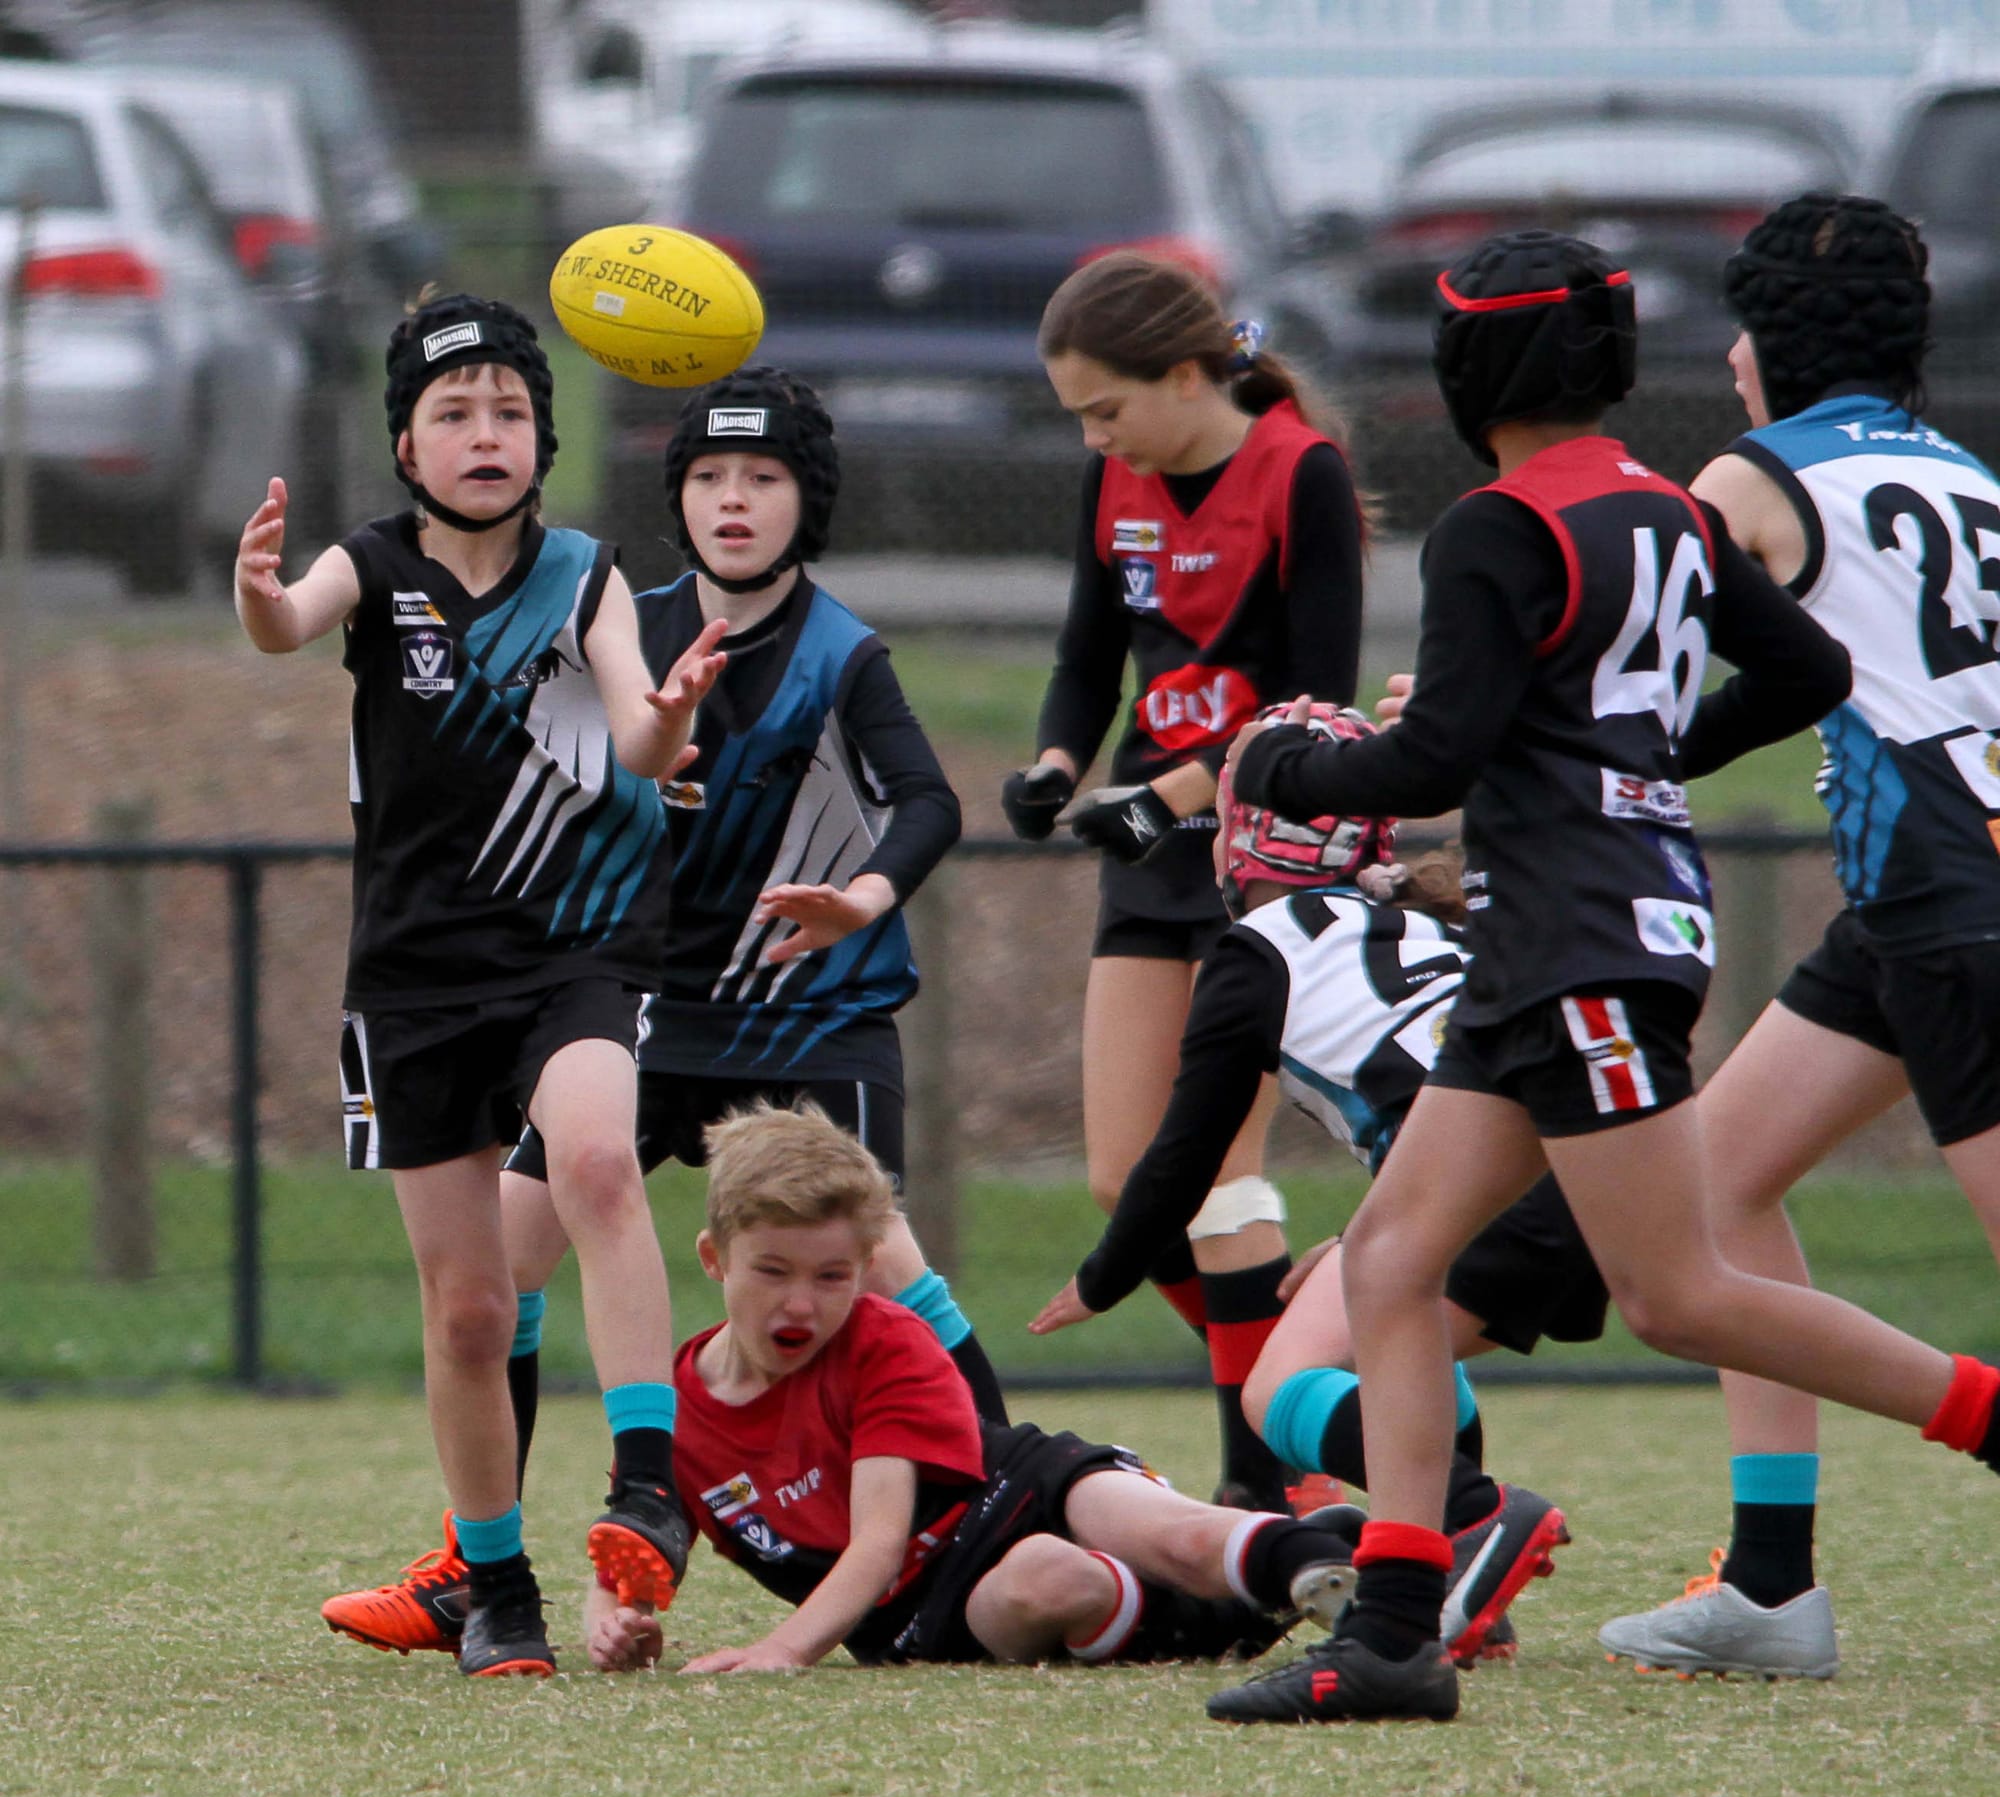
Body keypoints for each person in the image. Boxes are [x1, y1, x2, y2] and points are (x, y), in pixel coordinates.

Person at [1201, 230, 2000, 1729]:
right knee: (1389, 1262)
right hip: (1553, 940)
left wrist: (1281, 768)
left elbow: (1431, 757)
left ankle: (1987, 1415)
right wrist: (1645, 754)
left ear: (1466, 371)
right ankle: (1393, 1635)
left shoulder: (1494, 526)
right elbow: (1812, 675)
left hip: (1580, 942)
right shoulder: (1665, 506)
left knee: (1677, 1294)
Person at [321, 366, 1005, 1660]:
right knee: (498, 1273)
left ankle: (1006, 1496)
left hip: (809, 1012)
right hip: (634, 1009)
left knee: (882, 1272)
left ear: (809, 502)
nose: (732, 501)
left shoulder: (843, 653)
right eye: (706, 477)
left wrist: (860, 898)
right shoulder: (611, 622)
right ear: (675, 497)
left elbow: (927, 801)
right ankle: (476, 1561)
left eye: (763, 478)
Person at [237, 293, 727, 1677]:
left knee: (599, 1161)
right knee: (467, 1309)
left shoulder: (583, 574)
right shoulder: (373, 563)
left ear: (542, 438)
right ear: (407, 444)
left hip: (578, 947)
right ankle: (494, 1582)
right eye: (453, 412)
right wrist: (261, 593)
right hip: (414, 975)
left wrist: (667, 720)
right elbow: (286, 626)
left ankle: (646, 1486)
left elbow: (638, 735)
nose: (485, 431)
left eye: (510, 409)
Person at [1596, 194, 2000, 1681]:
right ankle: (1769, 1585)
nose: (1730, 360)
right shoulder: (1965, 473)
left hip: (1957, 903)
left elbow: (1623, 658)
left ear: (1765, 344)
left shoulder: (1753, 472)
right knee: (1710, 1197)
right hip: (1912, 904)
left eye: (1738, 334)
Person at [1028, 701, 1601, 1666]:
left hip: (1483, 1192)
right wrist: (1360, 1242)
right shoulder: (1415, 920)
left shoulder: (1259, 952)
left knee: (1277, 1388)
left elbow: (1182, 1158)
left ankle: (1473, 1516)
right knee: (1397, 1339)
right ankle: (1452, 1574)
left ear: (1243, 837)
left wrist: (1101, 1277)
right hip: (1584, 1177)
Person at [1000, 251, 1368, 1511]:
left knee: (1214, 1174)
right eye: (1077, 417)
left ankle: (1266, 1482)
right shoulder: (1115, 477)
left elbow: (1314, 705)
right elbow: (1085, 656)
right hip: (1150, 854)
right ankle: (1306, 1393)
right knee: (1126, 1182)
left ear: (1181, 374)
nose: (1093, 437)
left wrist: (1175, 793)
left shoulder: (1300, 472)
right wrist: (1056, 764)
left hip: (1260, 855)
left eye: (1104, 408)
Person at [585, 1105, 1365, 1675]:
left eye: (830, 1277)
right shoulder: (672, 1412)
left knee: (1171, 1534)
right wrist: (616, 1625)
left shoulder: (882, 1338)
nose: (800, 1304)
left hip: (1019, 1485)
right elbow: (630, 1555)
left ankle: (1356, 1573)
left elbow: (877, 1541)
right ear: (714, 1258)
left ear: (863, 1271)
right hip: (925, 1610)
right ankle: (1270, 1593)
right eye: (772, 1271)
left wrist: (783, 1650)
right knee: (1050, 1581)